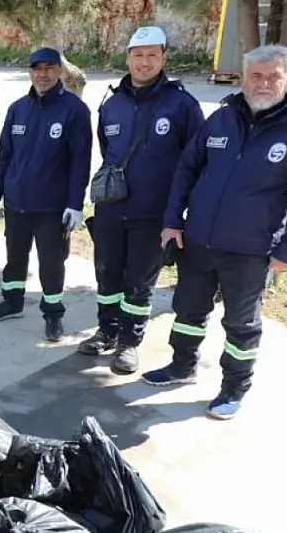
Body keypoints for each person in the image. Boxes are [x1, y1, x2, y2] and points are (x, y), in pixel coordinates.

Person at [142, 44, 287, 420]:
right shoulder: (221, 120)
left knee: (241, 325)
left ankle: (233, 387)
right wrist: (173, 221)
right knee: (188, 310)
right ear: (242, 79)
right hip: (197, 241)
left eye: (273, 77)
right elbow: (187, 169)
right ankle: (182, 365)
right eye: (255, 76)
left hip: (251, 249)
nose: (263, 83)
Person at [77, 27, 205, 373]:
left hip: (154, 214)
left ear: (164, 57)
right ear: (128, 57)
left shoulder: (182, 105)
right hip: (111, 210)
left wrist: (176, 216)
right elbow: (108, 151)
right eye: (138, 54)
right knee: (107, 274)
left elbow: (196, 162)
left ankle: (129, 343)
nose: (144, 62)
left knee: (139, 281)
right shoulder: (112, 102)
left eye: (152, 54)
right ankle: (107, 330)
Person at [0, 46, 92, 341]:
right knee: (14, 258)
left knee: (51, 264)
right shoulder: (18, 109)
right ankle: (12, 301)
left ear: (59, 71)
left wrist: (75, 204)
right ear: (30, 72)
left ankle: (53, 314)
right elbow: (4, 155)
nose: (42, 75)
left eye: (48, 68)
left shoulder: (74, 110)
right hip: (18, 203)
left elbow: (80, 162)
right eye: (36, 69)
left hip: (52, 208)